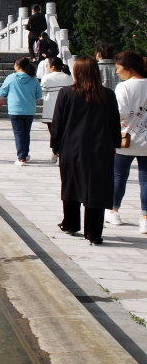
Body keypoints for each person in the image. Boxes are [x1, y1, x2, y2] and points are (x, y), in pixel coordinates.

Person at [50, 57, 121, 245]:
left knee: (71, 185)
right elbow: (114, 123)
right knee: (96, 190)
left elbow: (58, 122)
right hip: (100, 148)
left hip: (72, 147)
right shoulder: (108, 95)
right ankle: (93, 233)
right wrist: (115, 144)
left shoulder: (66, 93)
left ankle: (71, 224)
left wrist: (55, 146)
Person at [110, 51, 147, 231]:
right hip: (146, 140)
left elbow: (119, 113)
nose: (117, 72)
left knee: (119, 177)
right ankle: (145, 217)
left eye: (118, 68)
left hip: (126, 138)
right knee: (146, 180)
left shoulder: (123, 87)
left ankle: (114, 211)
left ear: (129, 68)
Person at [0, 57, 43, 166]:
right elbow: (39, 95)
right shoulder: (33, 79)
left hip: (15, 110)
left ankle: (21, 157)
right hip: (29, 110)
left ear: (18, 66)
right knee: (26, 133)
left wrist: (1, 97)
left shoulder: (11, 78)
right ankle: (25, 154)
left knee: (18, 133)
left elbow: (2, 90)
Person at [40, 56, 73, 163]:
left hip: (51, 109)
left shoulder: (47, 78)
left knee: (53, 133)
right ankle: (59, 152)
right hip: (65, 109)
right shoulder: (68, 78)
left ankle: (56, 151)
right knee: (64, 132)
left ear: (53, 67)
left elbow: (42, 93)